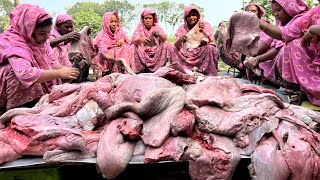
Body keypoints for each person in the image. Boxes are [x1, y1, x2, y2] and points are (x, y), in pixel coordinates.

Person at [0, 4, 79, 111]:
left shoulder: (42, 41)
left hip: (27, 76)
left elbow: (52, 62)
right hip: (9, 83)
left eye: (48, 32)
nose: (47, 37)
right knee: (17, 72)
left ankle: (37, 102)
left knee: (44, 72)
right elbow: (25, 73)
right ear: (29, 29)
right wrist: (59, 73)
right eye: (42, 33)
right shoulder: (14, 42)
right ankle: (18, 108)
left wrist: (64, 70)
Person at [245, 0, 320, 105]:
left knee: (292, 45)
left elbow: (271, 46)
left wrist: (313, 29)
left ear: (290, 7)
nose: (276, 14)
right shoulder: (314, 12)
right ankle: (306, 87)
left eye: (279, 10)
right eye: (248, 11)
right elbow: (284, 34)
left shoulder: (297, 18)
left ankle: (305, 87)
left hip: (293, 60)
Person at [171, 5, 219, 76]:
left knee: (211, 47)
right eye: (188, 16)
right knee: (171, 47)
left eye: (193, 15)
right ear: (185, 18)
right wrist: (180, 40)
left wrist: (203, 32)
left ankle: (205, 70)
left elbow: (211, 39)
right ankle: (183, 69)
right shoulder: (181, 28)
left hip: (201, 51)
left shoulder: (204, 24)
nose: (191, 18)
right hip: (187, 53)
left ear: (197, 16)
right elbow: (177, 46)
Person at [131, 8, 170, 73]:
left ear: (153, 19)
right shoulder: (139, 28)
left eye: (150, 18)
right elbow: (133, 40)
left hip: (156, 52)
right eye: (146, 18)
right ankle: (140, 68)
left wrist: (159, 35)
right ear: (143, 19)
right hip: (143, 53)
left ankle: (159, 67)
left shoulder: (157, 27)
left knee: (166, 43)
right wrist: (141, 39)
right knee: (133, 46)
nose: (148, 20)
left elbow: (165, 38)